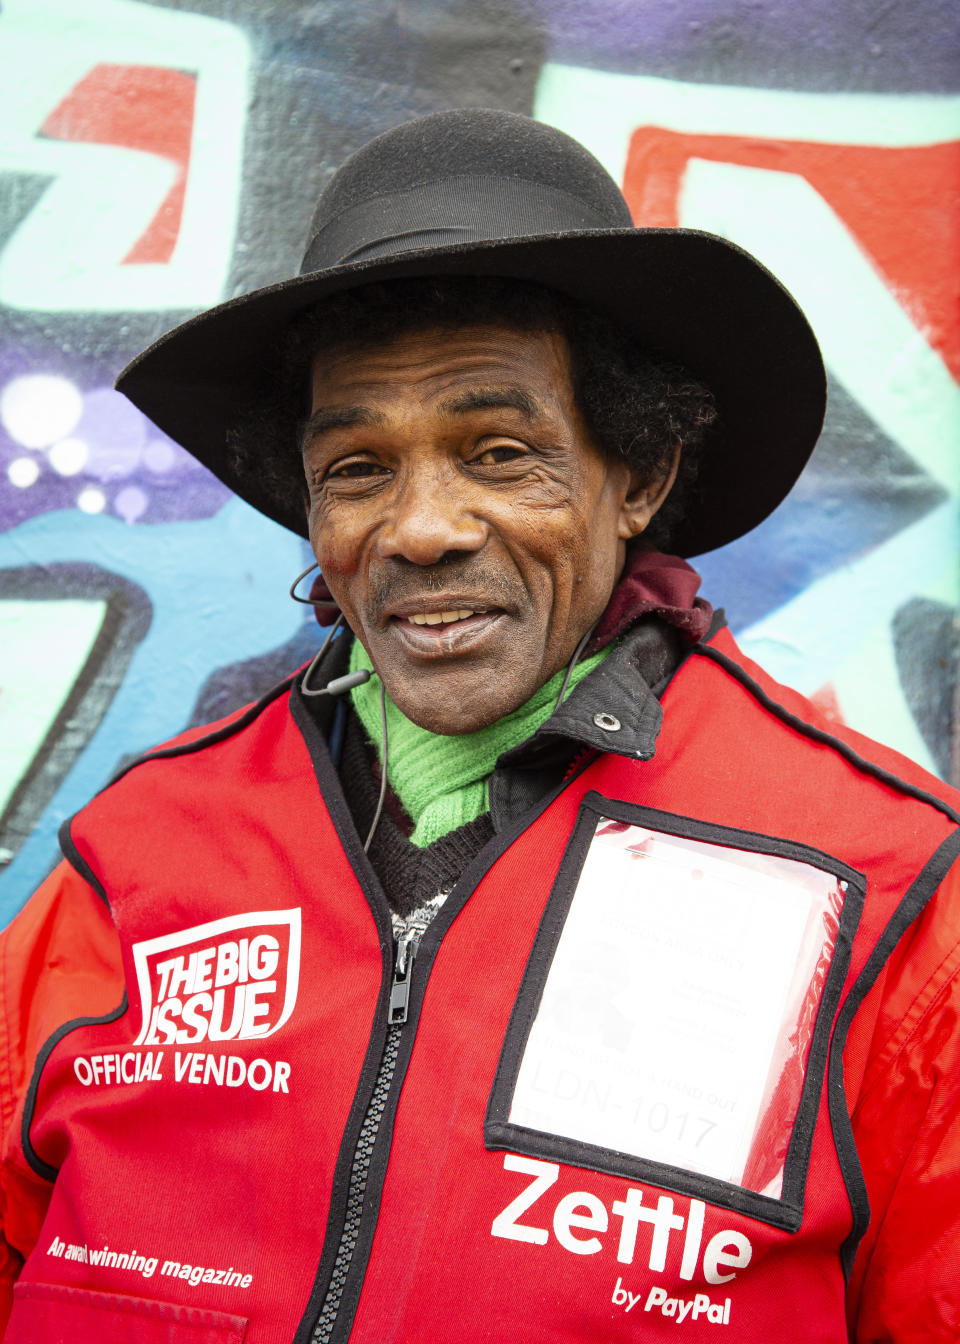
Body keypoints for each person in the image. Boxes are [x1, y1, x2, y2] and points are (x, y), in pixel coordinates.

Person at [0, 109, 957, 1344]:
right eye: (356, 469)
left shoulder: (883, 888)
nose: (420, 528)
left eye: (499, 453)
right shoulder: (135, 862)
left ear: (640, 475)